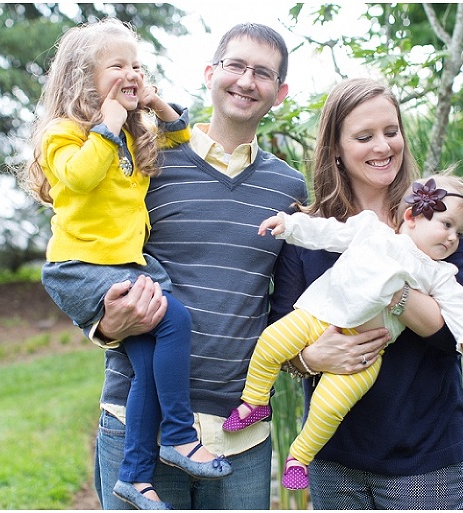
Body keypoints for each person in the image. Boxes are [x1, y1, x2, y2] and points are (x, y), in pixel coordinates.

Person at [88, 23, 329, 510]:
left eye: (262, 73)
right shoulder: (147, 163)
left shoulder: (289, 190)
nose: (246, 81)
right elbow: (94, 256)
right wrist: (101, 322)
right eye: (235, 65)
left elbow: (288, 307)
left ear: (279, 94)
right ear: (210, 73)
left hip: (240, 433)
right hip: (141, 424)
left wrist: (308, 357)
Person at [22, 18, 231, 510]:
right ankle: (179, 436)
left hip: (123, 264)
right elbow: (79, 177)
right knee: (175, 319)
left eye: (136, 64)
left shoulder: (134, 133)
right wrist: (111, 118)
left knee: (147, 368)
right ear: (81, 79)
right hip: (82, 265)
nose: (130, 72)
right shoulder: (64, 134)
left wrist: (153, 105)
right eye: (116, 65)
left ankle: (134, 476)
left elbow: (180, 139)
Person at [268, 78, 463, 509]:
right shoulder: (309, 230)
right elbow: (280, 330)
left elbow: (451, 335)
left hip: (425, 458)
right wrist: (311, 358)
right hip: (333, 457)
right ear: (336, 148)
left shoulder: (438, 220)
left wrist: (392, 292)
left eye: (391, 131)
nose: (382, 147)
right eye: (364, 137)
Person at [223, 173, 463, 490]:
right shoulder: (372, 231)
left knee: (331, 406)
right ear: (411, 216)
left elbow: (461, 308)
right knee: (270, 342)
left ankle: (299, 457)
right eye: (446, 225)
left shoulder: (440, 273)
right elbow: (328, 233)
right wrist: (291, 225)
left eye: (459, 233)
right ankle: (255, 402)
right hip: (318, 317)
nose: (453, 238)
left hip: (366, 354)